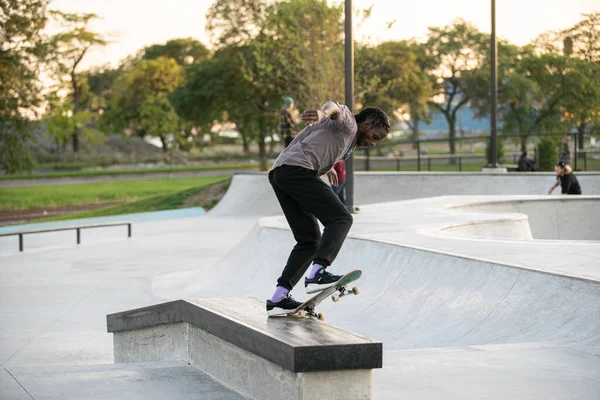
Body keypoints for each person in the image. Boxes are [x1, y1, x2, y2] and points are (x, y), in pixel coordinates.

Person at [266, 101, 391, 316]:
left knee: (309, 240)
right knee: (341, 218)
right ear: (367, 124)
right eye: (375, 137)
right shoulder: (349, 123)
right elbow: (334, 107)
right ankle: (318, 273)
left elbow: (316, 140)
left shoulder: (347, 138)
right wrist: (323, 113)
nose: (373, 144)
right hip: (297, 171)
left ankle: (279, 297)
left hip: (281, 174)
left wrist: (328, 166)